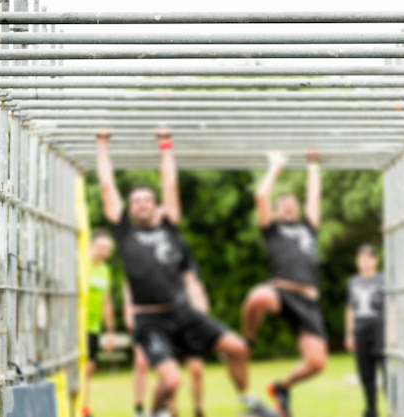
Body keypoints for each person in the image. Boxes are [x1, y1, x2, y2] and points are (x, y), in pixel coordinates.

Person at [95, 129, 276, 417]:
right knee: (172, 380)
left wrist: (165, 145)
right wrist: (102, 146)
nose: (141, 203)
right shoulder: (125, 232)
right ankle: (154, 413)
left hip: (182, 312)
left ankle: (247, 401)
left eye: (147, 199)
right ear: (129, 209)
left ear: (156, 206)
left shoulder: (169, 228)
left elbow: (170, 184)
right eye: (136, 201)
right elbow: (107, 186)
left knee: (239, 349)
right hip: (150, 319)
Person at [242, 150, 327, 417]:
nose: (289, 206)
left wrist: (313, 164)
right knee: (257, 297)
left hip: (308, 302)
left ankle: (281, 387)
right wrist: (275, 167)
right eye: (284, 204)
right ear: (278, 211)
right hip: (281, 292)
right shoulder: (273, 230)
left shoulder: (309, 228)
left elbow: (314, 196)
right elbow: (260, 197)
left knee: (317, 363)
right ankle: (248, 341)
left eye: (293, 203)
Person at [124, 259, 210, 417]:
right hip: (162, 325)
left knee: (196, 369)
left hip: (187, 324)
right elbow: (132, 288)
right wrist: (129, 311)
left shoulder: (186, 264)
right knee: (168, 375)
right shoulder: (147, 264)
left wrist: (201, 317)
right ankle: (167, 410)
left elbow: (198, 291)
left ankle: (198, 410)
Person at [345, 245, 386, 417]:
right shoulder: (353, 282)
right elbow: (350, 308)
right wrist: (349, 334)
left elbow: (392, 307)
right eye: (362, 259)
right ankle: (371, 410)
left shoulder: (383, 279)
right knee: (365, 373)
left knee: (386, 371)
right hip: (361, 330)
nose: (365, 262)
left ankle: (396, 408)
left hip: (379, 330)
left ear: (375, 260)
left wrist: (392, 333)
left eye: (369, 258)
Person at [83, 229, 116, 417]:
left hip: (93, 327)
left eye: (108, 249)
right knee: (78, 367)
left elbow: (107, 301)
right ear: (91, 246)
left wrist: (110, 332)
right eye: (102, 247)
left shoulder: (105, 270)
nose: (105, 252)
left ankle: (84, 407)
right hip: (77, 325)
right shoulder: (81, 265)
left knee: (89, 368)